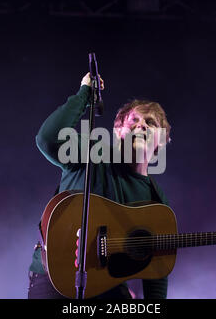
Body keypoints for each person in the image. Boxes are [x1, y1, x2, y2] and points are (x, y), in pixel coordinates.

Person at [28, 72, 172, 299]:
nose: (141, 125)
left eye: (150, 123)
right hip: (55, 278)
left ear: (161, 142)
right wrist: (84, 93)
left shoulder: (156, 199)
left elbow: (157, 267)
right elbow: (47, 138)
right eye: (133, 120)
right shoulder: (91, 152)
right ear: (118, 132)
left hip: (108, 285)